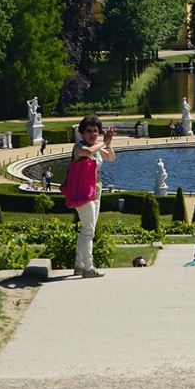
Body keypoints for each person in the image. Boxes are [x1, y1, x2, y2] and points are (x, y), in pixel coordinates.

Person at [71, 115, 116, 278]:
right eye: (89, 131)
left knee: (87, 230)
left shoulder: (96, 147)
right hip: (83, 193)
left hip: (95, 192)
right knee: (88, 231)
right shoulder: (80, 146)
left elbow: (111, 157)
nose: (92, 134)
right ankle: (88, 268)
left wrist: (108, 144)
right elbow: (88, 152)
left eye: (95, 131)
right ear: (82, 133)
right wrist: (104, 142)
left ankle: (79, 266)